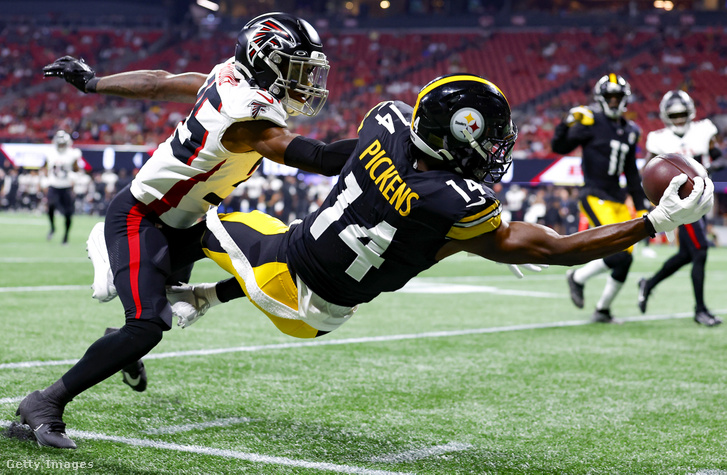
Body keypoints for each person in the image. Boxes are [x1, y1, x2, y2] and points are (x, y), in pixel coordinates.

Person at [16, 73, 714, 450]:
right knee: (197, 233)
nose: (500, 147)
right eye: (493, 137)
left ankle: (169, 293)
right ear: (462, 139)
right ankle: (160, 293)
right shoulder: (454, 201)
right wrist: (650, 221)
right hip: (309, 299)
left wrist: (227, 110)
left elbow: (308, 154)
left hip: (289, 271)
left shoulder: (385, 122)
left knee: (202, 220)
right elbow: (557, 247)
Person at [16, 12, 358, 449]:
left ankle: (163, 318)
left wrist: (93, 83)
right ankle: (45, 402)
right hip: (142, 218)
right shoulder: (247, 113)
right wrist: (393, 147)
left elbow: (159, 81)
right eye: (297, 69)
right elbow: (322, 158)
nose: (306, 81)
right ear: (265, 61)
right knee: (147, 325)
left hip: (191, 223)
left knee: (278, 251)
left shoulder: (229, 76)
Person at [551, 74, 651, 323]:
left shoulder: (631, 130)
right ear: (601, 98)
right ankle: (577, 278)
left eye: (618, 97)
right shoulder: (591, 121)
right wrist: (566, 122)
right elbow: (559, 147)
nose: (614, 101)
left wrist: (641, 206)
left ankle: (603, 309)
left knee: (625, 259)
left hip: (617, 198)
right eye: (610, 97)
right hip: (594, 194)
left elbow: (631, 172)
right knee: (617, 253)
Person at [637, 90, 726, 326]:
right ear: (666, 116)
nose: (678, 119)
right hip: (681, 205)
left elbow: (720, 158)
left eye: (682, 114)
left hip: (702, 200)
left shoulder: (703, 131)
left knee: (687, 255)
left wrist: (706, 167)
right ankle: (700, 309)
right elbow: (648, 173)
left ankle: (648, 283)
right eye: (674, 115)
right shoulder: (658, 139)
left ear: (690, 113)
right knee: (701, 251)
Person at [43, 130, 82, 244]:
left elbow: (77, 170)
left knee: (68, 213)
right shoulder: (50, 153)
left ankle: (65, 236)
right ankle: (53, 227)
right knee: (50, 206)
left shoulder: (72, 154)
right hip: (54, 185)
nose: (61, 146)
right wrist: (45, 181)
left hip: (66, 186)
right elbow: (45, 168)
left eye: (62, 144)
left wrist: (74, 178)